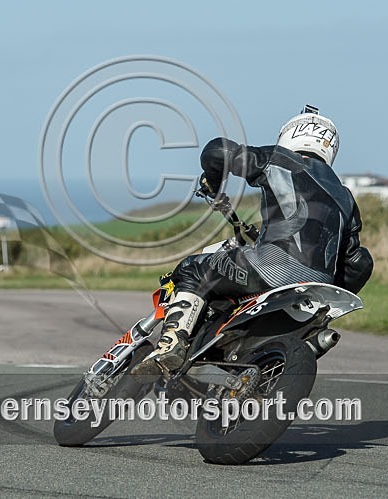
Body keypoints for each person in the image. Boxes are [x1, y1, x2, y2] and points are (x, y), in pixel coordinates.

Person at [132, 105, 374, 377]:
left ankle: (169, 346)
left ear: (290, 135)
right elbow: (359, 262)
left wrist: (213, 184)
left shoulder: (281, 160)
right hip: (318, 290)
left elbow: (218, 151)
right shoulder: (344, 196)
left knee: (192, 268)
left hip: (274, 267)